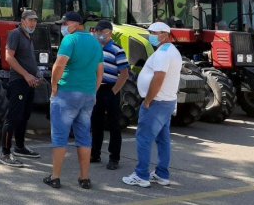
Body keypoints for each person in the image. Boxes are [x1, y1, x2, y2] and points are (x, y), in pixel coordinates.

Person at [44, 11, 103, 190]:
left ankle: (55, 177)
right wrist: (94, 89)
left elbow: (59, 64)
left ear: (76, 24)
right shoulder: (95, 41)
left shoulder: (70, 40)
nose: (63, 27)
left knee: (60, 136)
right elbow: (100, 70)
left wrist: (54, 86)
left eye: (65, 23)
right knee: (84, 136)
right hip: (87, 95)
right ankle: (84, 178)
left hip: (67, 93)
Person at [122, 22, 181, 188]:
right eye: (150, 32)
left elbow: (159, 77)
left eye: (154, 33)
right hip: (166, 101)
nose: (150, 36)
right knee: (163, 139)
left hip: (157, 102)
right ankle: (162, 174)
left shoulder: (163, 54)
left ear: (164, 34)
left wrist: (148, 100)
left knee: (144, 139)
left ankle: (141, 175)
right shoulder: (171, 51)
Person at [0, 9, 42, 167]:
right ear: (23, 20)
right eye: (30, 20)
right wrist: (26, 75)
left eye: (35, 20)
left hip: (29, 82)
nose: (33, 23)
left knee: (24, 116)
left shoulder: (29, 36)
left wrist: (37, 74)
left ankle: (20, 147)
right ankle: (5, 153)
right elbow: (9, 57)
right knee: (13, 117)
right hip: (18, 82)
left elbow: (29, 60)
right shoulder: (15, 34)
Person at [90, 20, 130, 170]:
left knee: (114, 125)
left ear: (110, 33)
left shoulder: (117, 50)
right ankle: (95, 153)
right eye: (98, 32)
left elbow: (124, 74)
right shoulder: (95, 48)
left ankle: (114, 158)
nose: (100, 35)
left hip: (111, 89)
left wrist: (114, 91)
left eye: (103, 32)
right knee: (96, 122)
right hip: (97, 89)